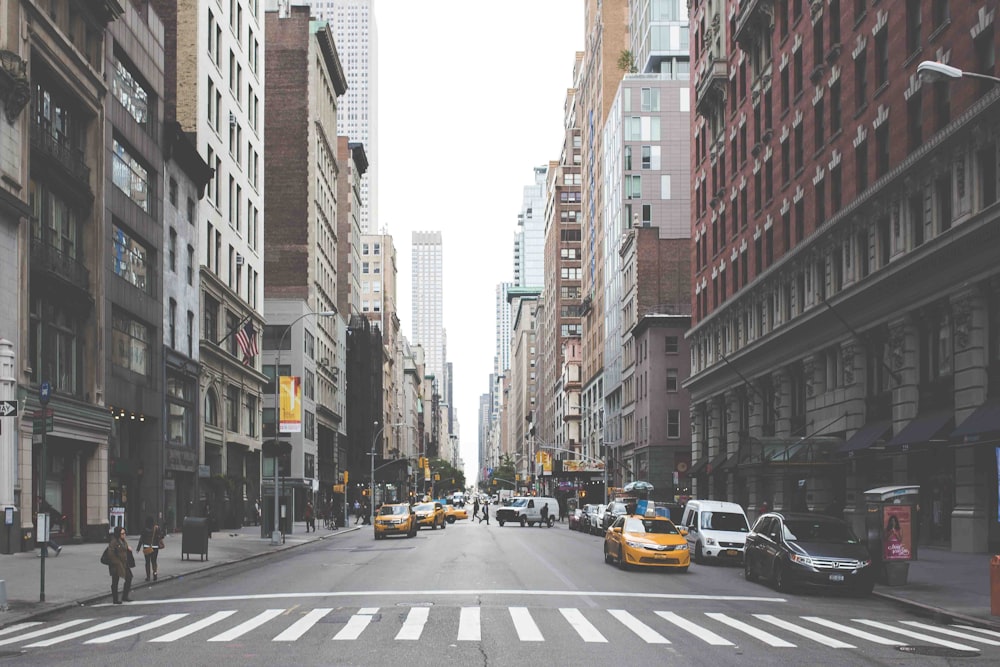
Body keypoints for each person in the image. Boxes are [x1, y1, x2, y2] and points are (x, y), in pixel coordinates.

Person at [107, 525, 134, 604]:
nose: (124, 535)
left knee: (129, 577)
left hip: (124, 563)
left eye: (124, 533)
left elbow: (124, 549)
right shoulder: (114, 542)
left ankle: (125, 596)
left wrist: (128, 548)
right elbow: (110, 554)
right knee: (115, 581)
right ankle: (115, 599)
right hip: (116, 565)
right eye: (122, 533)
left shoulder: (123, 541)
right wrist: (117, 562)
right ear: (118, 534)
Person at [138, 516, 162, 582]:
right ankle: (155, 574)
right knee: (154, 561)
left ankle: (148, 577)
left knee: (147, 562)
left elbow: (141, 539)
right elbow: (161, 536)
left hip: (146, 547)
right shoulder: (156, 528)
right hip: (155, 547)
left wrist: (138, 548)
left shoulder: (144, 529)